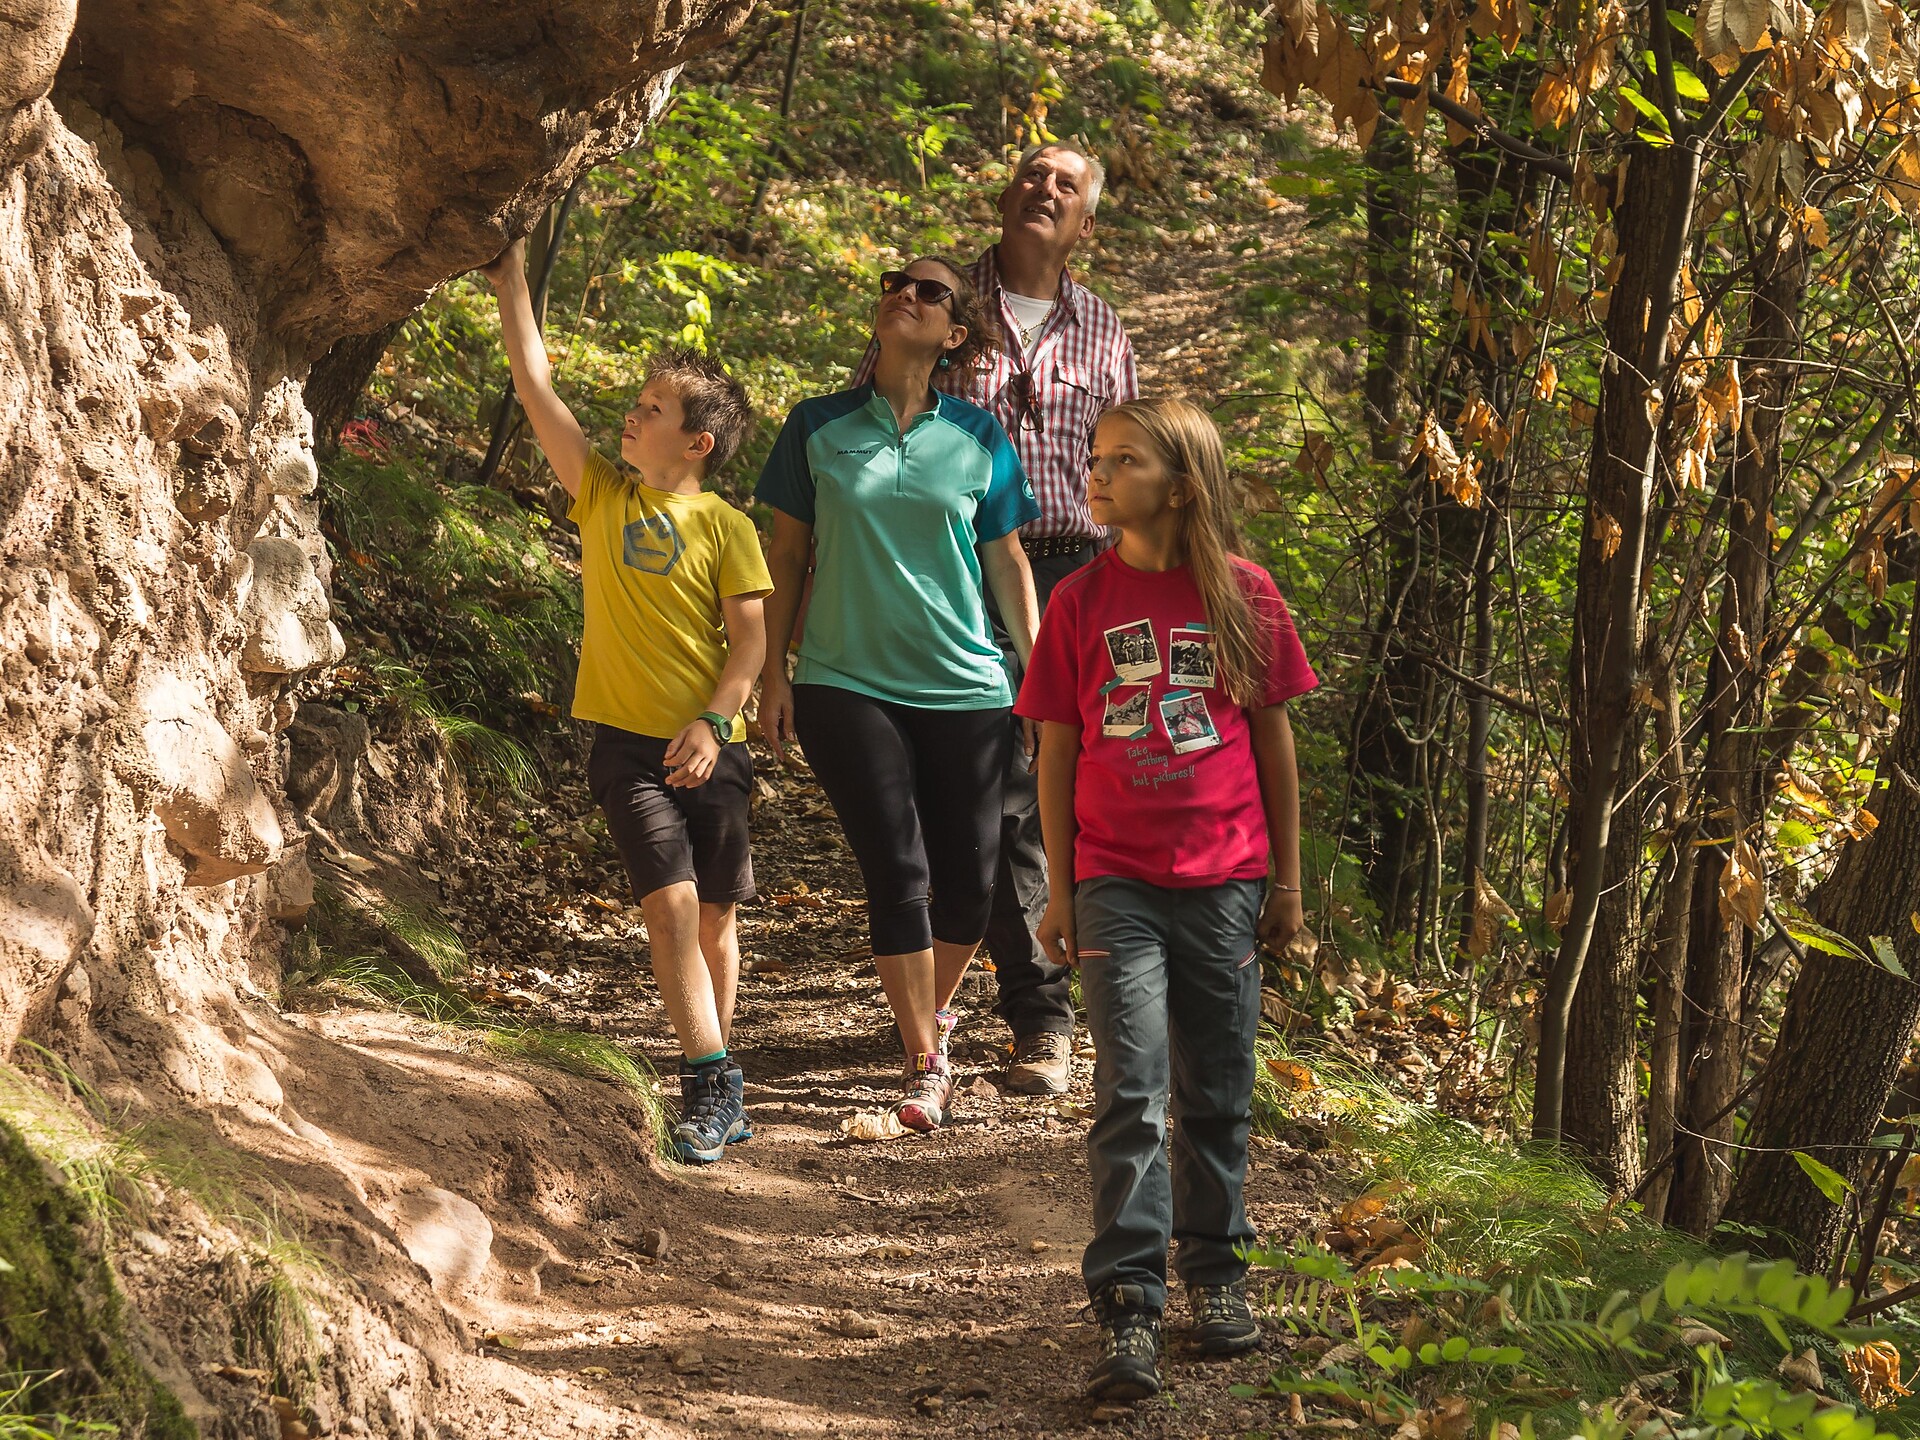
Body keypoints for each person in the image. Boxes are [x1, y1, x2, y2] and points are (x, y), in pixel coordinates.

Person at [1015, 398, 1317, 1401]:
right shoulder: (1080, 603)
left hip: (1227, 883)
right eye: (1094, 460)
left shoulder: (1245, 594)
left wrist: (1287, 882)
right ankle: (1130, 1305)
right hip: (1114, 884)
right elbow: (1056, 751)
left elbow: (1273, 741)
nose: (1095, 476)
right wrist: (1059, 891)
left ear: (1181, 485)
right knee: (1132, 1093)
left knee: (1218, 1091)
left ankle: (1218, 1277)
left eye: (1121, 462)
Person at [479, 239, 772, 1166]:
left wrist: (715, 722)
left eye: (653, 410)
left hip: (711, 748)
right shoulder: (601, 496)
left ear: (699, 443)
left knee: (718, 922)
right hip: (625, 748)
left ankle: (718, 1080)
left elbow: (753, 641)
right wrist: (511, 276)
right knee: (674, 911)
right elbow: (536, 387)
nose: (630, 416)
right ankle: (708, 1079)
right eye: (635, 402)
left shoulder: (726, 526)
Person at [856, 139, 1138, 1095]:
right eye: (1031, 175)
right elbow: (872, 427)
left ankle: (1054, 1010)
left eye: (1066, 185)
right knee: (994, 799)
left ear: (1085, 223)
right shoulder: (939, 299)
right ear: (1004, 194)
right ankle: (1027, 1017)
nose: (1043, 191)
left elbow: (1131, 461)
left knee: (1055, 790)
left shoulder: (1103, 329)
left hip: (1074, 577)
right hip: (951, 576)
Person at [759, 257, 1041, 1133]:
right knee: (899, 868)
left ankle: (928, 1014)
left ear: (955, 333)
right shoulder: (816, 426)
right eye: (895, 283)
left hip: (968, 684)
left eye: (928, 291)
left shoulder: (982, 436)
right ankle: (926, 1061)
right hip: (847, 680)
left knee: (970, 884)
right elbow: (786, 559)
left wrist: (1037, 674)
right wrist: (774, 673)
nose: (904, 295)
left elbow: (1006, 560)